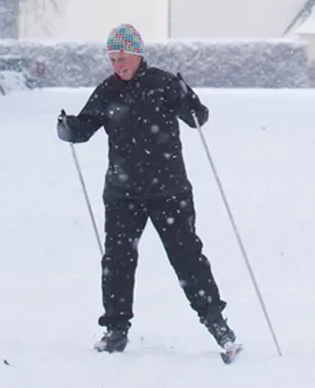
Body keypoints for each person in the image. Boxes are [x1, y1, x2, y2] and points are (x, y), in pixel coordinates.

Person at [56, 23, 239, 356]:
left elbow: (198, 117)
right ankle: (115, 330)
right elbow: (85, 128)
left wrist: (187, 96)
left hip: (169, 190)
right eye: (112, 60)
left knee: (187, 258)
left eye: (123, 58)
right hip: (122, 193)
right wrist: (69, 128)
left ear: (138, 55)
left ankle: (218, 325)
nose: (118, 66)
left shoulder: (164, 84)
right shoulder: (107, 91)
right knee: (117, 262)